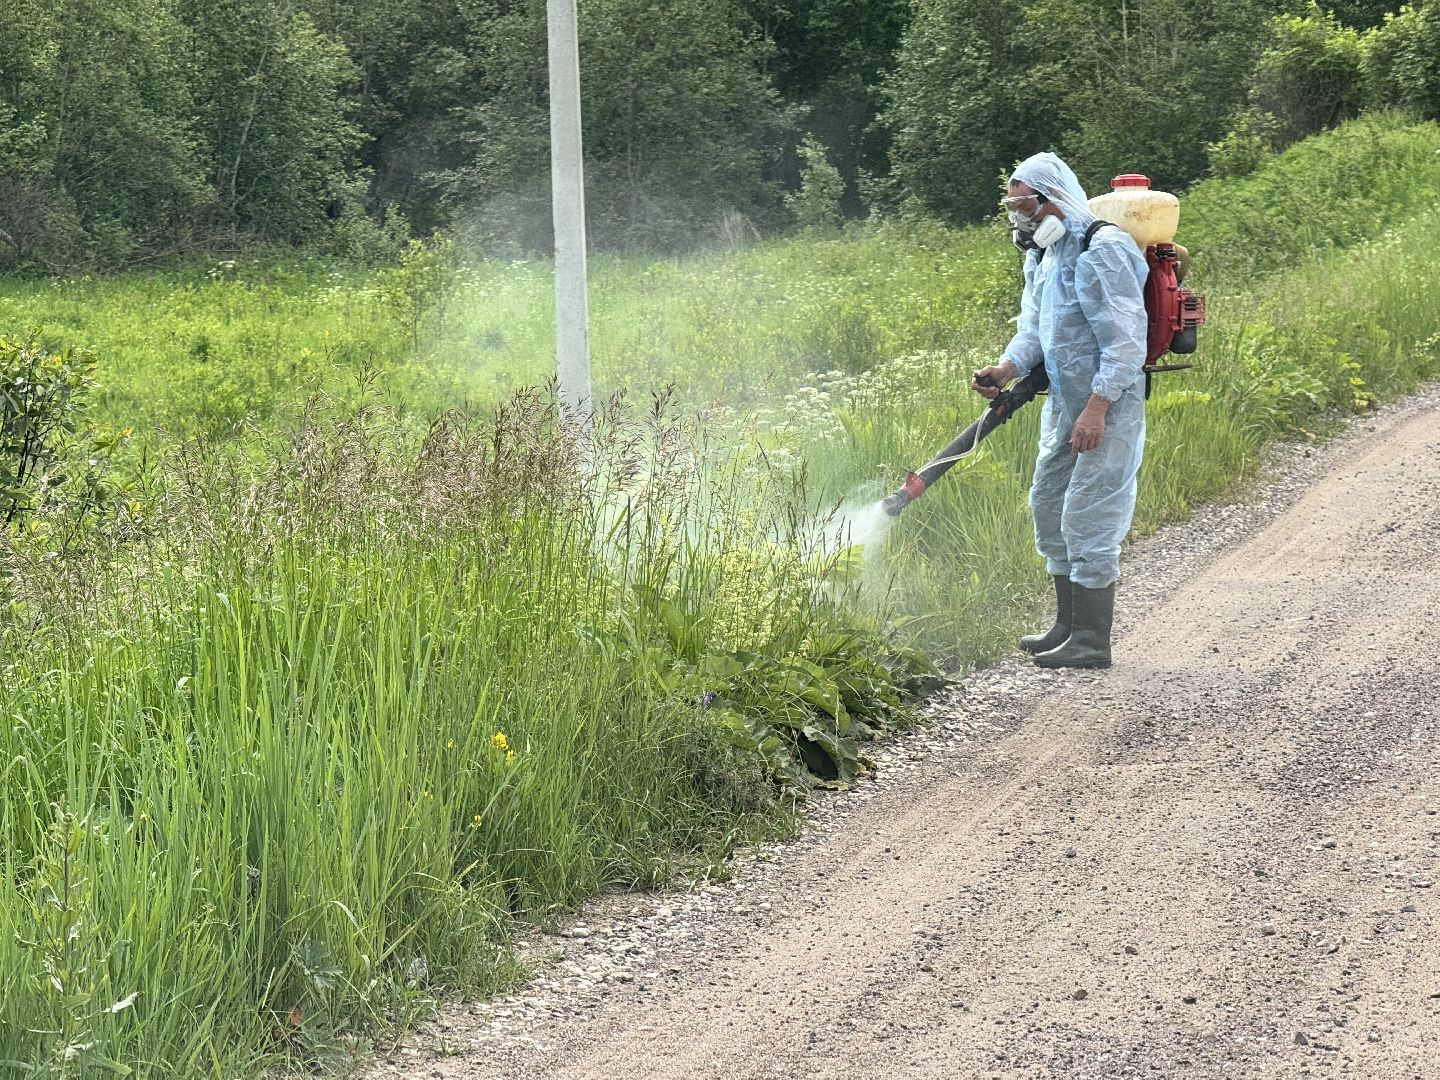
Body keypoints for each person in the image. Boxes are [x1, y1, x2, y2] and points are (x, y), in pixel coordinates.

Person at [970, 152, 1149, 669]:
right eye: (1014, 205)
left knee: (1088, 514)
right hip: (1065, 404)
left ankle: (1093, 641)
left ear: (1051, 198)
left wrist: (1097, 408)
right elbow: (1036, 329)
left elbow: (1124, 344)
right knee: (1049, 504)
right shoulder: (1043, 257)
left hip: (1107, 405)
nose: (1018, 215)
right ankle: (1067, 625)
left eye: (1023, 203)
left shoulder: (1104, 248)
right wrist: (1007, 368)